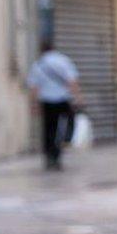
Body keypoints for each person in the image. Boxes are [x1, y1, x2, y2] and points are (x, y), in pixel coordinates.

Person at [27, 40, 82, 171]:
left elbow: (34, 88)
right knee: (64, 126)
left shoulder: (38, 64)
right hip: (63, 100)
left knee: (48, 129)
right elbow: (72, 81)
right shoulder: (64, 61)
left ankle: (50, 156)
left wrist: (33, 104)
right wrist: (78, 98)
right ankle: (60, 149)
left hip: (47, 102)